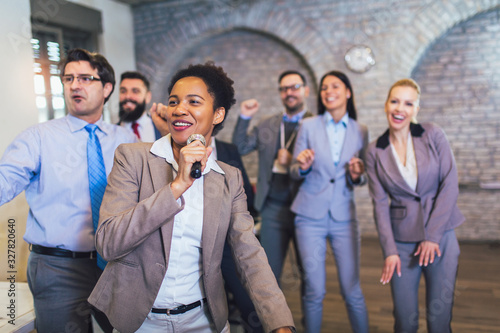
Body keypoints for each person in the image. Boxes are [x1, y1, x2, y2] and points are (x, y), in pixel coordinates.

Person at [88, 62, 295, 333]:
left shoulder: (228, 177)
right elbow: (108, 243)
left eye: (193, 101)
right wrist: (177, 186)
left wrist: (279, 322)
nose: (179, 109)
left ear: (218, 114)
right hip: (139, 322)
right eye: (173, 101)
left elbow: (249, 254)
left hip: (203, 321)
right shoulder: (132, 158)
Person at [0, 48, 137, 332]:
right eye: (68, 78)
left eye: (86, 78)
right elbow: (6, 179)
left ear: (107, 87)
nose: (75, 85)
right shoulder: (37, 138)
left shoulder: (125, 140)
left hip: (115, 265)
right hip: (56, 268)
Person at [365, 78, 464, 333]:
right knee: (405, 321)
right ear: (386, 104)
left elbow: (450, 184)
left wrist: (432, 235)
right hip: (402, 244)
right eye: (395, 101)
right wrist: (389, 250)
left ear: (416, 109)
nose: (400, 109)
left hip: (441, 235)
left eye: (408, 103)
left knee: (439, 320)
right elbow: (379, 204)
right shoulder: (375, 151)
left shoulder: (432, 134)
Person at [290, 71, 369, 333]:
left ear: (348, 92)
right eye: (324, 88)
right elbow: (293, 170)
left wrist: (357, 176)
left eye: (335, 86)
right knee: (314, 289)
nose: (328, 91)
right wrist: (301, 166)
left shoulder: (361, 130)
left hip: (344, 217)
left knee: (351, 288)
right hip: (309, 216)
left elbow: (362, 176)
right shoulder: (308, 126)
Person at [232, 70, 312, 288]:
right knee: (268, 275)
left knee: (309, 276)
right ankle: (273, 322)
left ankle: (309, 321)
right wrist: (245, 117)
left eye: (294, 87)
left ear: (306, 90)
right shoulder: (267, 125)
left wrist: (294, 162)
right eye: (284, 89)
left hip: (306, 209)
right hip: (272, 208)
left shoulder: (317, 124)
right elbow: (240, 147)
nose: (289, 92)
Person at [118, 71, 162, 141]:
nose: (128, 96)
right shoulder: (112, 133)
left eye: (135, 91)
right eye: (123, 91)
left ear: (148, 97)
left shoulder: (161, 128)